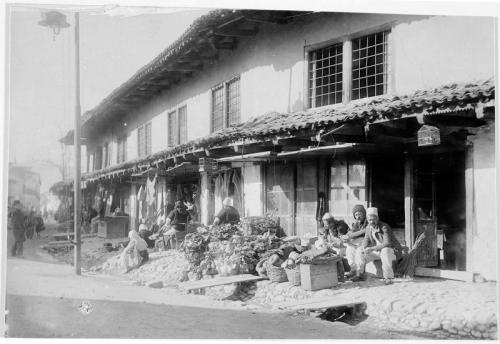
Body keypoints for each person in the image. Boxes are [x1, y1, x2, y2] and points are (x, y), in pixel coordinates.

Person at [351, 207, 403, 285]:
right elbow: (366, 240)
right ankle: (360, 274)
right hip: (377, 251)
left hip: (392, 251)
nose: (371, 222)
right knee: (359, 250)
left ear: (377, 218)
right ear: (367, 220)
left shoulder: (384, 227)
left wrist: (372, 248)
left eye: (373, 219)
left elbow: (387, 243)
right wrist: (363, 247)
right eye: (369, 220)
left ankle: (388, 277)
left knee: (385, 250)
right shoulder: (368, 228)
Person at [341, 204, 369, 273]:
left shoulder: (368, 222)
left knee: (359, 251)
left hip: (367, 243)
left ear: (364, 214)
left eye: (360, 214)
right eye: (356, 215)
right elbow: (350, 232)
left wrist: (350, 236)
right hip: (358, 243)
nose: (358, 217)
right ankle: (353, 268)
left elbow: (364, 231)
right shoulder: (356, 224)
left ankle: (359, 272)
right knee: (349, 248)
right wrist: (345, 237)